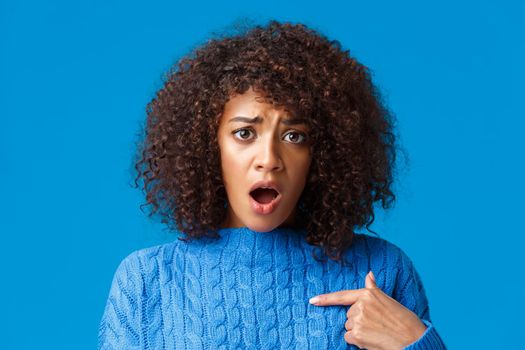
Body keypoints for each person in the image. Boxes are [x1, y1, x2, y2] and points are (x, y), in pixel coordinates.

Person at [98, 20, 447, 349]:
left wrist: (414, 341)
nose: (269, 158)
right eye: (244, 133)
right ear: (209, 147)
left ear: (320, 156)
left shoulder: (382, 269)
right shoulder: (147, 281)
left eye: (294, 136)